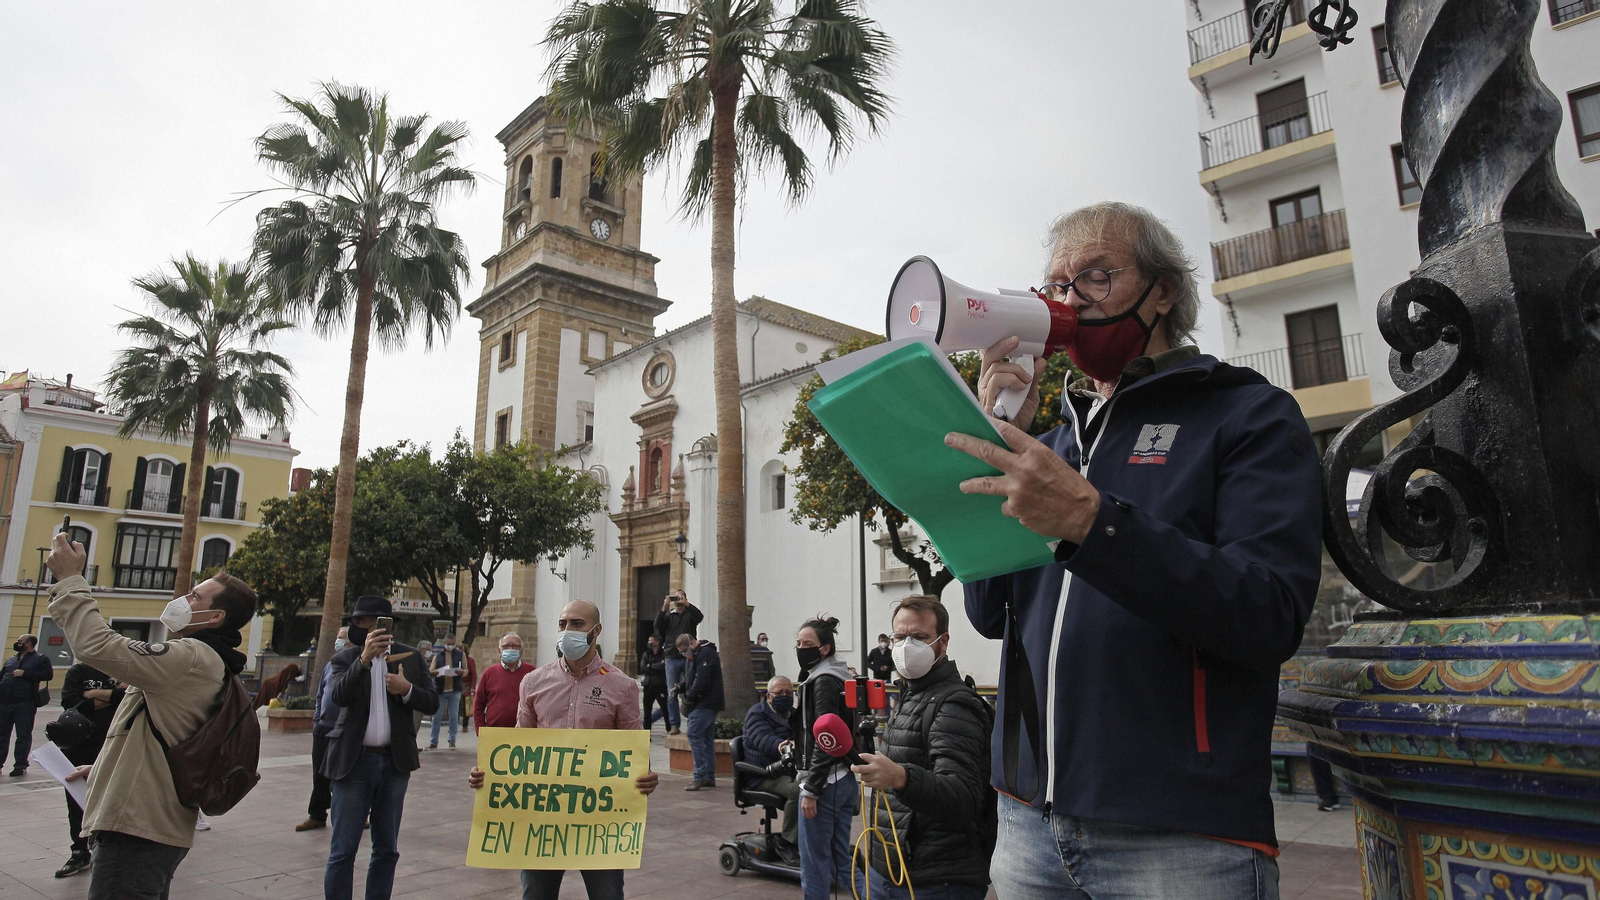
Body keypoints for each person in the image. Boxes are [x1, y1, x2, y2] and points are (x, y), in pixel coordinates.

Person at [954, 202, 1322, 899]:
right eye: (1057, 287)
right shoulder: (1051, 444)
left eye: (1096, 276)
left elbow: (1269, 612)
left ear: (1163, 291)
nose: (1069, 302)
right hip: (1029, 821)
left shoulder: (1247, 414)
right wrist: (1000, 433)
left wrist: (1095, 524)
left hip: (1181, 834)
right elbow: (991, 613)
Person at [43, 531, 255, 900]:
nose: (184, 599)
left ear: (215, 615)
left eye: (195, 596)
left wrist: (70, 581)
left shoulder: (190, 656)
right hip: (148, 825)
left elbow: (98, 645)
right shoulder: (203, 659)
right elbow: (162, 732)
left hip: (137, 832)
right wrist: (109, 765)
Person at [466, 599, 660, 900]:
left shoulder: (621, 686)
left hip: (598, 824)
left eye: (577, 624)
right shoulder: (534, 682)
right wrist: (490, 773)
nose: (567, 630)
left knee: (607, 895)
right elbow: (520, 746)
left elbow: (633, 748)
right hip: (543, 821)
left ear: (596, 631)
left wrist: (645, 775)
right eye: (562, 623)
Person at [852, 596, 992, 900]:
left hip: (935, 880)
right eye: (899, 637)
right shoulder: (912, 695)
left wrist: (901, 777)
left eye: (918, 637)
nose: (905, 647)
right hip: (889, 871)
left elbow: (963, 795)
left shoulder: (953, 704)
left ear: (943, 642)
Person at [321, 596, 439, 900]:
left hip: (394, 764)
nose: (371, 628)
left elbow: (432, 701)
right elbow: (339, 696)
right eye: (363, 623)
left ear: (389, 627)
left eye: (378, 623)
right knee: (343, 850)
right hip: (353, 764)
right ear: (355, 627)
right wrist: (363, 661)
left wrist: (407, 690)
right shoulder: (344, 660)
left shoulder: (409, 657)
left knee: (386, 849)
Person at [794, 616, 864, 900]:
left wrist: (811, 788)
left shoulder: (823, 681)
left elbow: (824, 739)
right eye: (798, 643)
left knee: (814, 863)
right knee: (839, 860)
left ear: (824, 648)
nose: (800, 648)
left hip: (825, 783)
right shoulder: (839, 675)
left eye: (807, 644)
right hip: (843, 779)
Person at [53, 660, 125, 877]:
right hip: (79, 745)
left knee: (111, 798)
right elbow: (71, 703)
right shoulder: (78, 671)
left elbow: (127, 700)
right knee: (77, 801)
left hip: (113, 744)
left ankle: (107, 850)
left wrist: (92, 694)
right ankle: (79, 850)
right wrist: (110, 695)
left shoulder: (122, 669)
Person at [295, 626, 348, 832]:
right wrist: (317, 719)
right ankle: (317, 815)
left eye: (341, 638)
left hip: (343, 730)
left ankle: (354, 816)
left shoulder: (357, 664)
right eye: (337, 638)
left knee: (344, 776)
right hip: (323, 728)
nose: (338, 642)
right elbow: (320, 693)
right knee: (319, 775)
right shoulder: (330, 665)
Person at [742, 675, 799, 858]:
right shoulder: (757, 714)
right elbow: (763, 739)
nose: (784, 696)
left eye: (788, 692)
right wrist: (782, 745)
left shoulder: (794, 714)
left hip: (789, 769)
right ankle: (787, 842)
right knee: (799, 791)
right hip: (763, 774)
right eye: (779, 692)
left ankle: (810, 838)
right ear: (768, 696)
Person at [676, 633, 724, 790]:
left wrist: (689, 696)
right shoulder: (696, 655)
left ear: (691, 643)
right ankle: (709, 776)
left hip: (705, 702)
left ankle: (700, 775)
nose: (684, 654)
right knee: (706, 738)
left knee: (694, 734)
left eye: (685, 650)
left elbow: (701, 680)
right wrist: (680, 687)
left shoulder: (705, 654)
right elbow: (690, 677)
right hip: (706, 702)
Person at [1, 632, 52, 776]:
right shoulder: (11, 660)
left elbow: (48, 675)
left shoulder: (40, 659)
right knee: (2, 735)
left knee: (23, 735)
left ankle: (20, 765)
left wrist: (25, 673)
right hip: (5, 702)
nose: (17, 643)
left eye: (20, 641)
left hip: (25, 703)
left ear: (28, 643)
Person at [652, 589, 701, 735]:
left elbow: (700, 616)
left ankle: (692, 721)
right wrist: (664, 606)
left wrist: (687, 604)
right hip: (671, 657)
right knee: (672, 693)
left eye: (681, 597)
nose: (679, 600)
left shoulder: (690, 615)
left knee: (691, 689)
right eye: (676, 598)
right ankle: (674, 725)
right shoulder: (669, 617)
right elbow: (658, 625)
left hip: (688, 657)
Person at [472, 632, 534, 730]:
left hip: (525, 734)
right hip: (495, 733)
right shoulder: (489, 673)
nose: (511, 649)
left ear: (521, 651)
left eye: (515, 646)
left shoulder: (532, 673)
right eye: (506, 646)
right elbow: (478, 706)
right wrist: (481, 731)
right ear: (499, 651)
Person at [427, 633, 466, 749]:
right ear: (445, 643)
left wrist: (461, 672)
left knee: (454, 715)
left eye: (453, 644)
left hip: (455, 688)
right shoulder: (438, 656)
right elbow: (431, 670)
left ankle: (452, 740)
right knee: (436, 716)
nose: (450, 646)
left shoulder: (460, 655)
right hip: (440, 688)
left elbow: (466, 669)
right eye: (448, 644)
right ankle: (433, 741)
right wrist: (436, 672)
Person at [638, 635, 669, 730]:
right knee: (647, 712)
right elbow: (643, 668)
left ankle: (669, 730)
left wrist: (650, 666)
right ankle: (646, 733)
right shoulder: (646, 654)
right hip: (648, 686)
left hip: (660, 686)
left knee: (665, 710)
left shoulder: (664, 654)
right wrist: (656, 666)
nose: (649, 642)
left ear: (657, 642)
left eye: (651, 641)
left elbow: (665, 667)